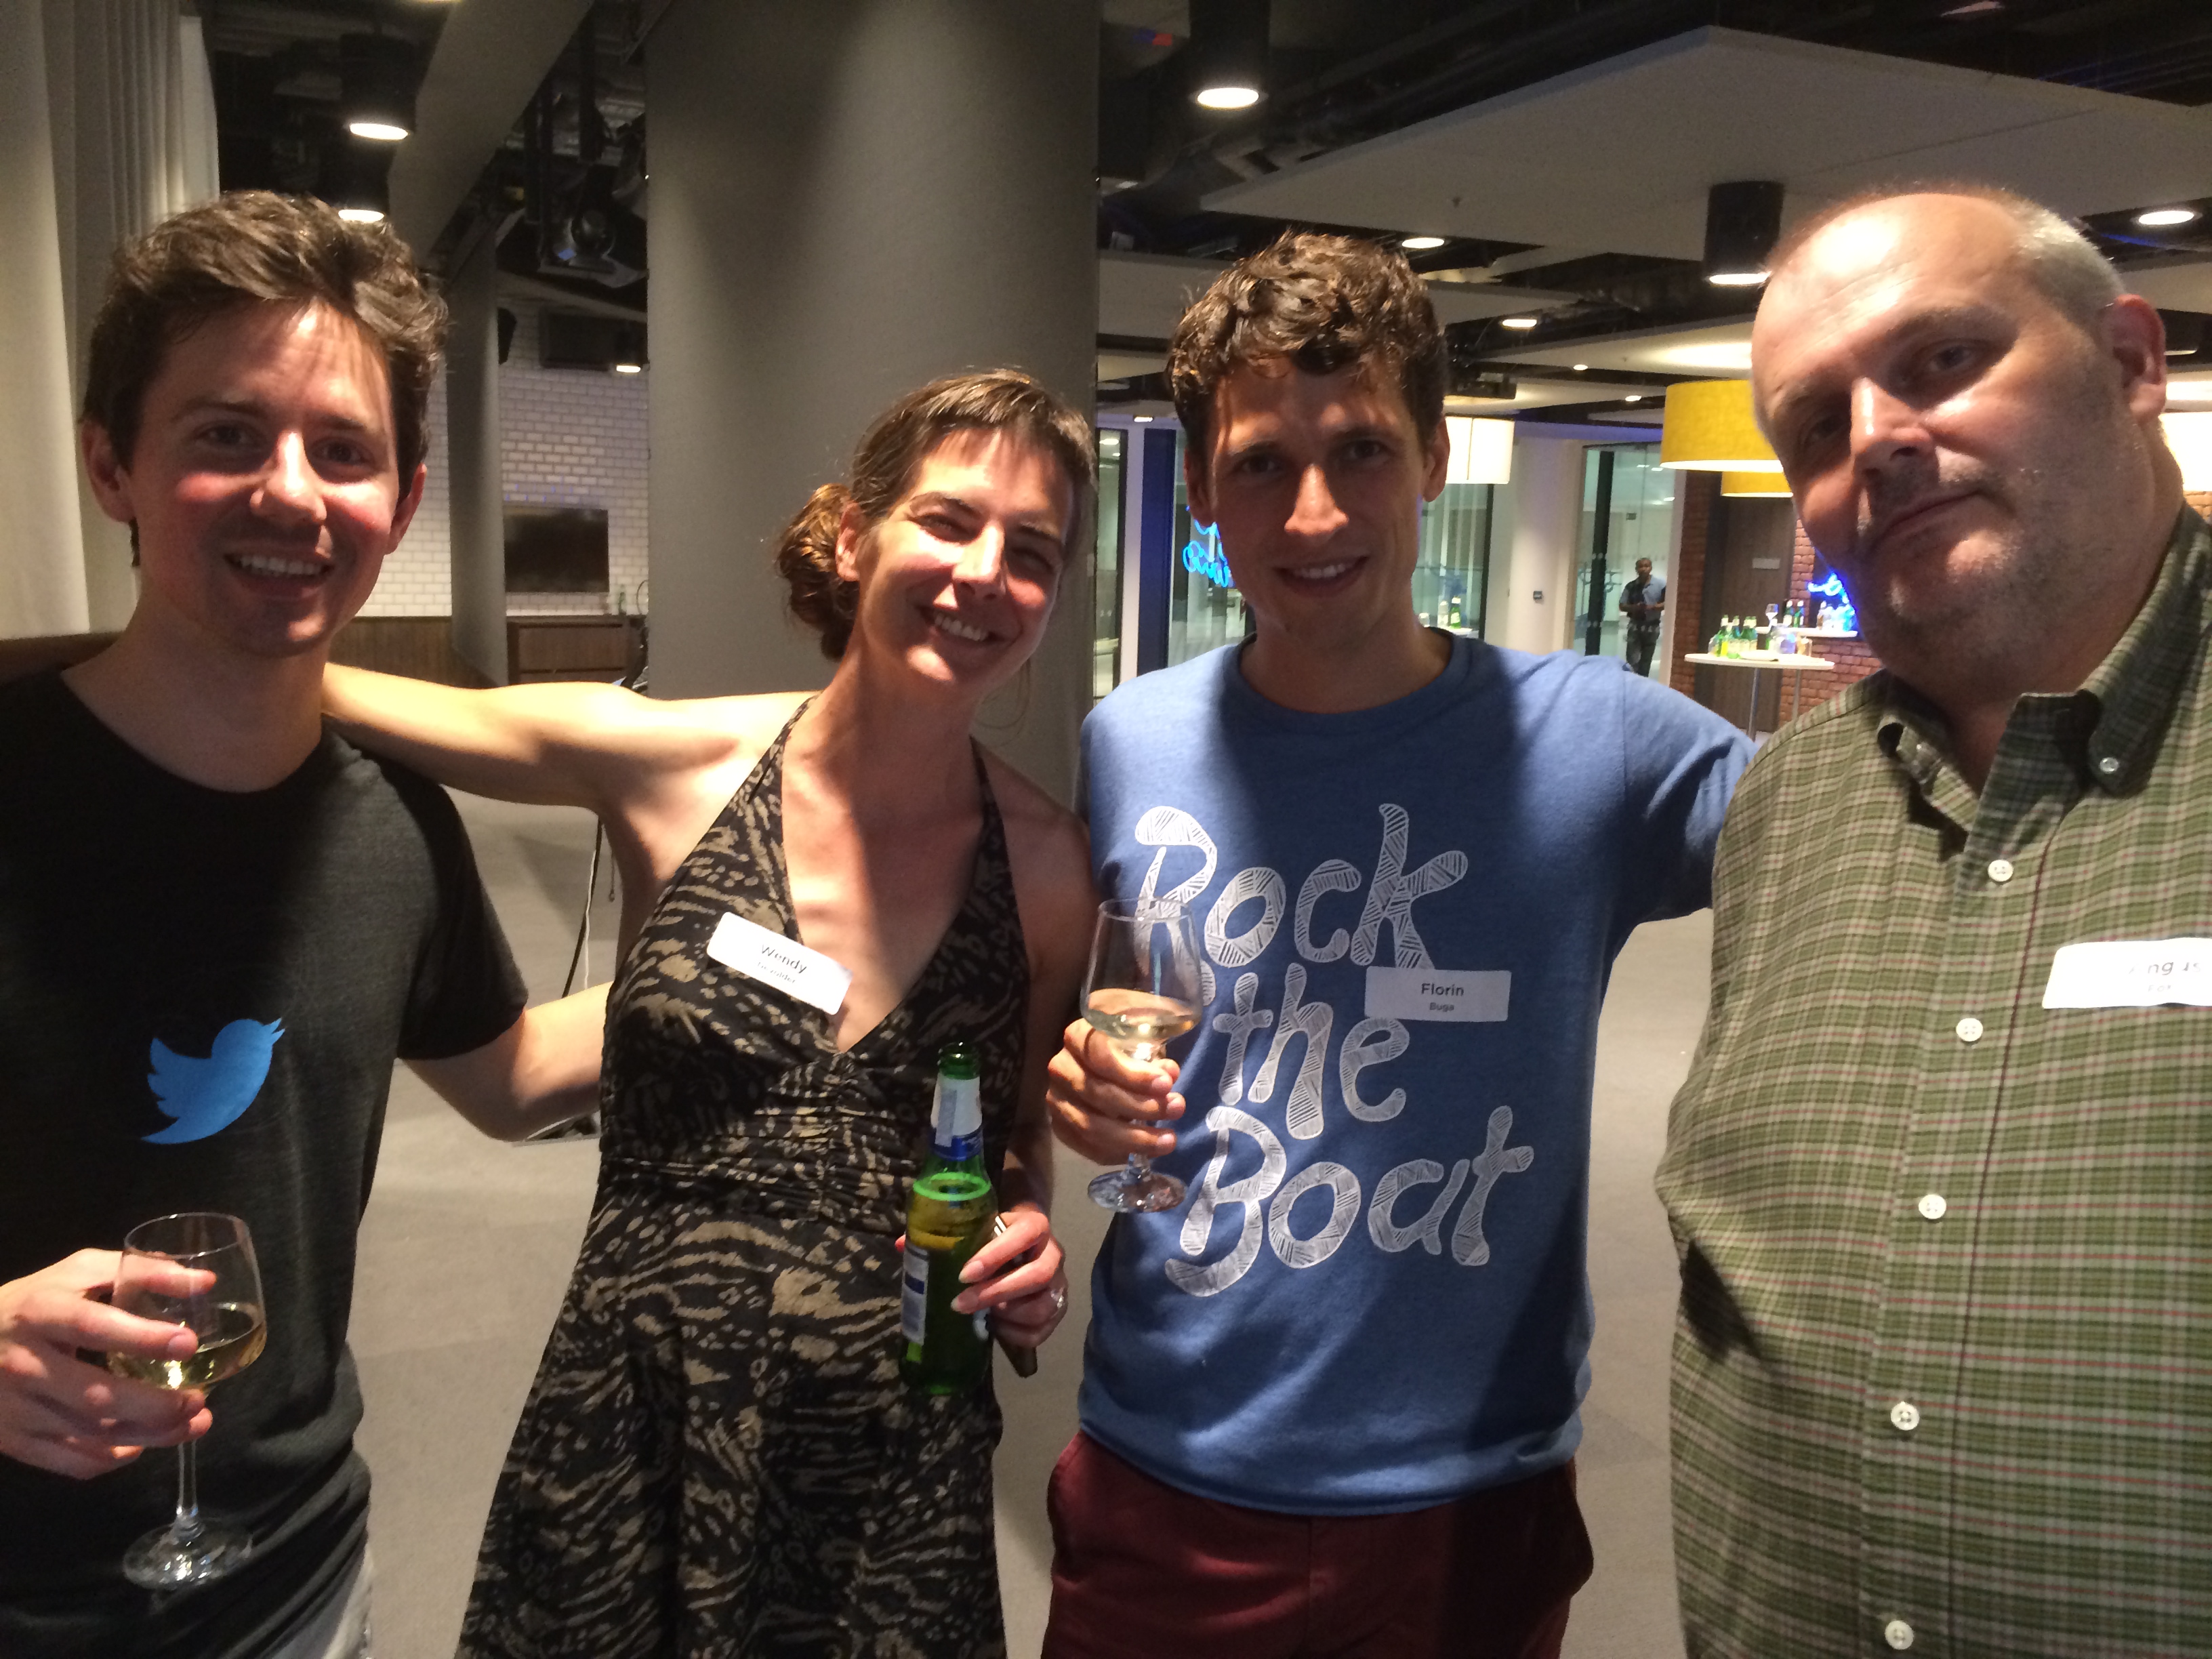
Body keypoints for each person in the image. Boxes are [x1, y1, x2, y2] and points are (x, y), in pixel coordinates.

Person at [1040, 232, 1750, 1657]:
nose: (1312, 514)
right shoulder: (1130, 740)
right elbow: (1090, 1022)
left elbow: (1877, 839)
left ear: (1433, 457)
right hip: (1168, 1458)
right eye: (1259, 465)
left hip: (1463, 1490)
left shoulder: (1598, 740)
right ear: (1203, 493)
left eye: (1359, 450)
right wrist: (1076, 1084)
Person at [321, 369, 1097, 1657]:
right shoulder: (670, 766)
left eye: (1032, 552)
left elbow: (1015, 1133)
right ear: (851, 536)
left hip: (891, 1465)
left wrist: (1025, 1226)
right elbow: (328, 695)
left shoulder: (1050, 865)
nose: (984, 575)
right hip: (638, 1412)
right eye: (949, 520)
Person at [0, 192, 607, 1659]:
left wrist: (771, 943)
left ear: (401, 500)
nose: (292, 493)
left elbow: (511, 1074)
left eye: (343, 451)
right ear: (110, 464)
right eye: (227, 435)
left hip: (297, 1583)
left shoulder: (395, 827)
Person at [1656, 184, 2212, 1657]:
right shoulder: (1786, 807)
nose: (1878, 439)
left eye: (1943, 359)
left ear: (2130, 361)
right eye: (1813, 426)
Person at [1618, 556, 1664, 676]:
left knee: (1646, 662)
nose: (1644, 569)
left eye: (1646, 566)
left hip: (1652, 627)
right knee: (1632, 661)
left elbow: (1669, 601)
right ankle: (1632, 683)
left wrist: (1655, 607)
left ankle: (1643, 683)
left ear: (1651, 568)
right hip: (1635, 627)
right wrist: (1635, 607)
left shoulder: (1661, 585)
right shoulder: (1631, 586)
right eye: (1640, 567)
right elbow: (1622, 606)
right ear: (1636, 569)